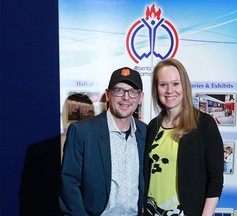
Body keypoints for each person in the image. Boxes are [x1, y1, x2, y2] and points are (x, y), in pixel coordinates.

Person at [59, 67, 146, 216]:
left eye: (133, 92)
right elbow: (69, 184)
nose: (126, 97)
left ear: (140, 97)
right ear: (108, 94)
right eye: (119, 90)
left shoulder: (145, 132)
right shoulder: (82, 132)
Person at [144, 59, 224, 216]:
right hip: (151, 211)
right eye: (163, 85)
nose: (169, 90)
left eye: (175, 83)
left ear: (184, 86)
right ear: (156, 89)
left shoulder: (204, 124)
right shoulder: (153, 126)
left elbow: (215, 180)